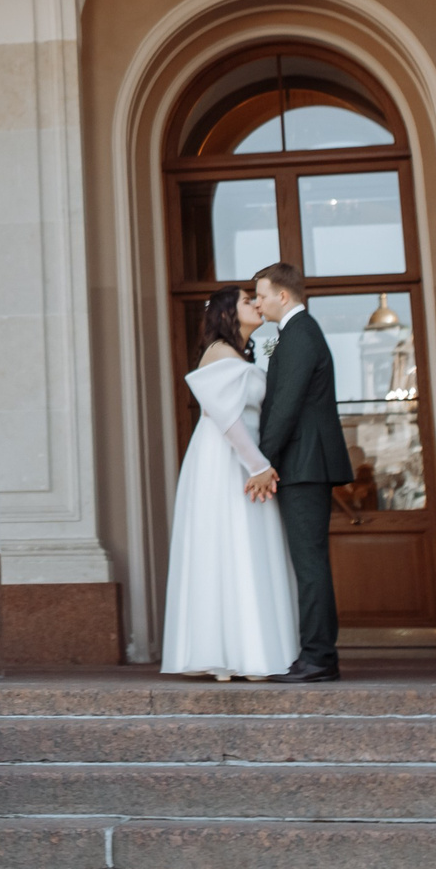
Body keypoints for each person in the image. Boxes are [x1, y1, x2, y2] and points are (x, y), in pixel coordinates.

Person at [158, 285, 300, 681]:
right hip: (226, 461)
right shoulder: (219, 351)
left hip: (244, 459)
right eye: (246, 300)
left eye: (257, 298)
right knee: (230, 546)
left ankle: (246, 651)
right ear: (225, 313)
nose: (256, 304)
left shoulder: (240, 353)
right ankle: (230, 655)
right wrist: (257, 466)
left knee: (246, 548)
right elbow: (225, 417)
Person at [251, 261, 356, 683]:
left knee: (309, 565)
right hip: (304, 463)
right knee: (308, 563)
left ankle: (318, 658)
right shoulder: (294, 334)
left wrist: (263, 462)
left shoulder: (299, 334)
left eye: (260, 294)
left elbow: (286, 406)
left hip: (304, 464)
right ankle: (316, 656)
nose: (256, 302)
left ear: (283, 295)